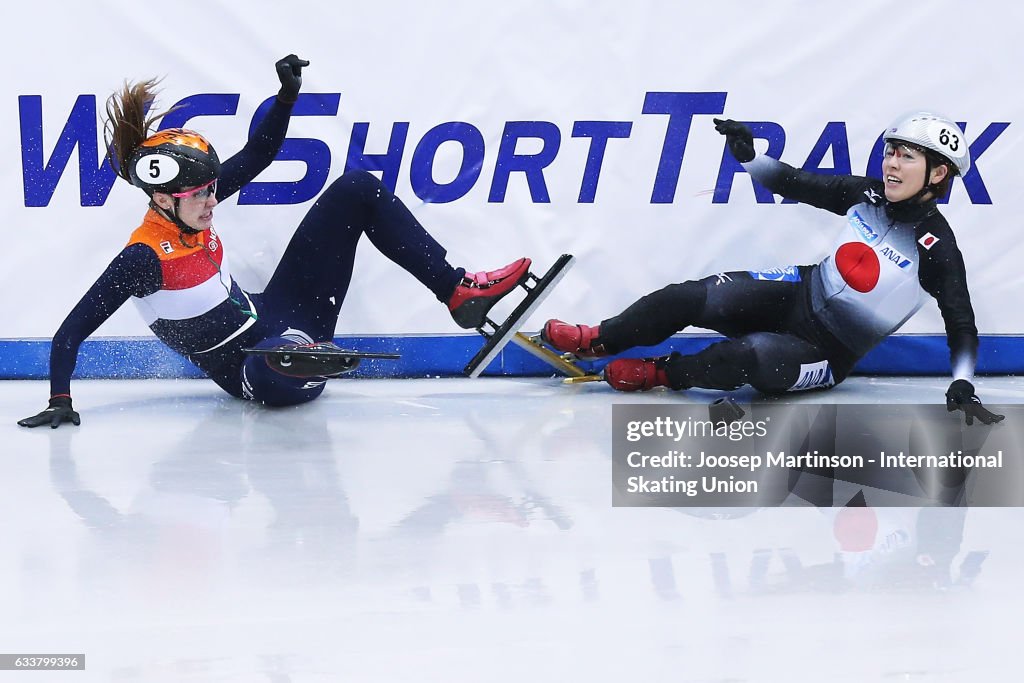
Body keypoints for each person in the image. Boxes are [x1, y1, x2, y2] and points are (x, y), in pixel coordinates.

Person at [19, 55, 531, 428]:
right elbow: (71, 330)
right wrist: (61, 398)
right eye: (199, 195)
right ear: (163, 199)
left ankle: (456, 290)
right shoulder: (142, 258)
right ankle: (300, 355)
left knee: (356, 187)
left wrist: (285, 98)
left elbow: (260, 153)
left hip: (284, 310)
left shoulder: (194, 206)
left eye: (211, 191)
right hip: (253, 366)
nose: (212, 202)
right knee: (269, 365)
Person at [542, 112, 1003, 425]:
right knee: (689, 295)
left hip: (826, 349)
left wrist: (963, 382)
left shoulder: (937, 246)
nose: (891, 164)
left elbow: (961, 323)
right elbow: (791, 181)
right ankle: (597, 338)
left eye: (907, 157)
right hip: (797, 294)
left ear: (937, 174)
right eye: (891, 152)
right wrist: (747, 155)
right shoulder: (867, 193)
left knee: (741, 358)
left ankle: (665, 372)